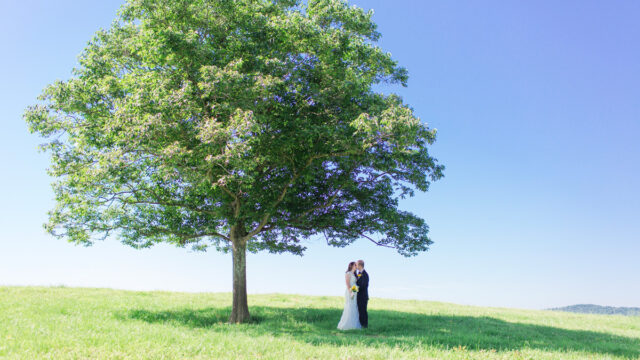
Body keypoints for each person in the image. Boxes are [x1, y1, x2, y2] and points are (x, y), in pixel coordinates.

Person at [337, 261, 362, 330]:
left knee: (354, 306)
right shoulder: (348, 273)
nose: (356, 267)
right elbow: (348, 284)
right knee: (349, 306)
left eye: (356, 265)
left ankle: (353, 325)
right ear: (351, 266)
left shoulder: (355, 274)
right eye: (355, 265)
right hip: (350, 291)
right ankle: (346, 325)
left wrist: (355, 290)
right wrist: (351, 292)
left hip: (355, 291)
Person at [355, 259, 369, 328]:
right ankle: (360, 325)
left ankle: (364, 325)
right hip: (359, 296)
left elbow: (363, 286)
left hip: (363, 296)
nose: (356, 266)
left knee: (363, 311)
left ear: (360, 265)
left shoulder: (365, 274)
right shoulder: (359, 273)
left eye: (356, 265)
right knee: (359, 311)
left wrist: (353, 289)